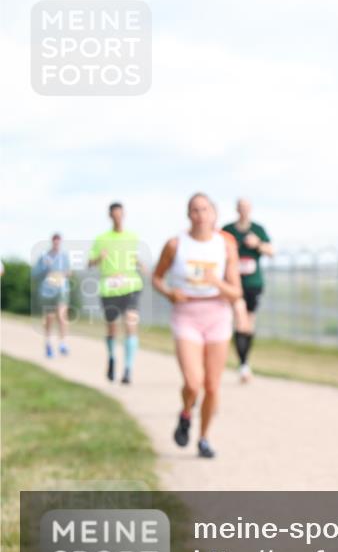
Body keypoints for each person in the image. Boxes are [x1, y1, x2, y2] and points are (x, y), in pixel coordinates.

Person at [152, 193, 242, 459]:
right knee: (193, 383)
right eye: (194, 210)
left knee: (212, 386)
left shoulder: (225, 245)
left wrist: (216, 282)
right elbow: (156, 278)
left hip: (217, 313)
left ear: (214, 214)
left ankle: (203, 438)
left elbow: (235, 292)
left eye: (205, 209)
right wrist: (169, 293)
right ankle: (186, 412)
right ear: (188, 215)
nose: (200, 215)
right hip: (187, 314)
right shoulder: (175, 244)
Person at [88, 202, 145, 384]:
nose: (118, 218)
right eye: (115, 215)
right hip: (110, 287)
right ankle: (112, 357)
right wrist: (99, 258)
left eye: (120, 215)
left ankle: (128, 369)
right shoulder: (101, 238)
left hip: (130, 285)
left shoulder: (132, 237)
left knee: (130, 322)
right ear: (110, 216)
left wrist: (140, 264)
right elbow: (90, 263)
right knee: (112, 327)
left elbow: (132, 256)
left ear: (124, 215)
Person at [222, 198, 274, 383]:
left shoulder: (258, 229)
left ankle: (244, 362)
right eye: (241, 207)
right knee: (239, 319)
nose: (243, 210)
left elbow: (271, 251)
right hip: (234, 284)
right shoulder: (227, 230)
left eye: (246, 207)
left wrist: (257, 244)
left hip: (253, 283)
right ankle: (243, 365)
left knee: (248, 323)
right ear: (236, 209)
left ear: (250, 209)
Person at [33, 233, 72, 358]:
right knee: (49, 318)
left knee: (61, 316)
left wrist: (64, 274)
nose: (56, 244)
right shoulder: (44, 256)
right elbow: (35, 273)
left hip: (61, 290)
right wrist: (46, 269)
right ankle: (48, 343)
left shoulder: (64, 257)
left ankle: (63, 343)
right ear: (52, 242)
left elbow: (69, 271)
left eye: (58, 242)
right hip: (48, 291)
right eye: (55, 242)